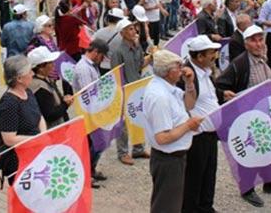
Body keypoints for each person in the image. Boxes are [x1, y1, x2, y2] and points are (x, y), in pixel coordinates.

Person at [216, 25, 271, 207]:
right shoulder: (240, 64)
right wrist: (229, 97)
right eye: (254, 40)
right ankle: (247, 189)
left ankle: (270, 182)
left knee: (269, 147)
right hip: (246, 119)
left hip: (264, 115)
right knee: (248, 153)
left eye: (261, 40)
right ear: (246, 43)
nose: (259, 44)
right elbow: (220, 85)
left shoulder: (263, 59)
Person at [143, 49, 204, 213]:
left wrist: (190, 83)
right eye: (179, 66)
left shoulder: (168, 87)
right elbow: (162, 137)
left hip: (174, 158)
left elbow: (189, 104)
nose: (183, 69)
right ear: (169, 72)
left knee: (171, 203)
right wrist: (189, 125)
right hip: (168, 159)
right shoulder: (160, 96)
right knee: (166, 206)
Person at [178, 35, 222, 213]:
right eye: (212, 52)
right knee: (194, 178)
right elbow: (182, 104)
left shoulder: (206, 72)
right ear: (200, 57)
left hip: (211, 135)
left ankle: (206, 207)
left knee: (209, 175)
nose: (215, 55)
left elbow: (208, 95)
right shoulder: (188, 75)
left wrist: (222, 94)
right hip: (197, 137)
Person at [0, 55, 46, 183]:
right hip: (20, 161)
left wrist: (43, 134)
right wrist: (37, 139)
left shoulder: (27, 92)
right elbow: (9, 139)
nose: (33, 74)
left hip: (35, 152)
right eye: (29, 72)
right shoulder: (9, 103)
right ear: (19, 78)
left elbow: (38, 115)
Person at [72, 39, 110, 187]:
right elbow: (89, 92)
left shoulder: (92, 66)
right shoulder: (83, 69)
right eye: (102, 56)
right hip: (88, 113)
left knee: (97, 144)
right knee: (90, 145)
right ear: (95, 52)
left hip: (95, 111)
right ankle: (86, 174)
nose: (102, 60)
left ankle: (92, 169)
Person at [111, 18, 149, 165]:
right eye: (130, 29)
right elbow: (116, 74)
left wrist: (150, 57)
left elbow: (140, 65)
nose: (134, 31)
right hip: (125, 90)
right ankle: (123, 152)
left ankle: (139, 148)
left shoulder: (137, 47)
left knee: (138, 118)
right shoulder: (118, 52)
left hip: (137, 88)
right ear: (122, 33)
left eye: (134, 28)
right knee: (124, 124)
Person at [28, 46, 72, 128]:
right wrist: (65, 104)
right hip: (54, 130)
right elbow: (50, 115)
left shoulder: (47, 78)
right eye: (50, 62)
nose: (53, 64)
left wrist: (63, 100)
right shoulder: (39, 88)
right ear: (41, 67)